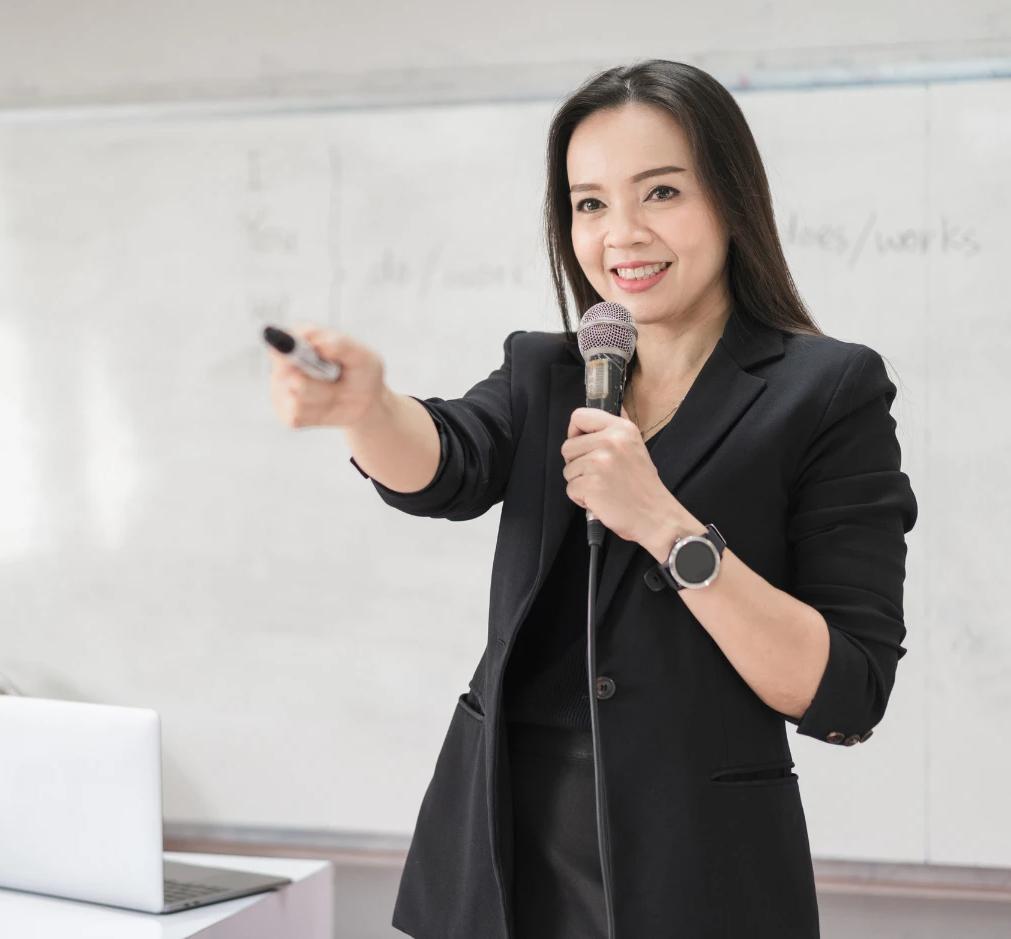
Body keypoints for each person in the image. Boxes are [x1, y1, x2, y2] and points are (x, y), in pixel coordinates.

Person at [267, 59, 918, 939]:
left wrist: (665, 524)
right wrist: (368, 409)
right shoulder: (551, 370)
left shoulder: (828, 389)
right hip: (497, 866)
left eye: (659, 193)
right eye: (590, 203)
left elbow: (847, 689)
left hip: (700, 877)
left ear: (731, 196)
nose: (622, 236)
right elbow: (445, 462)